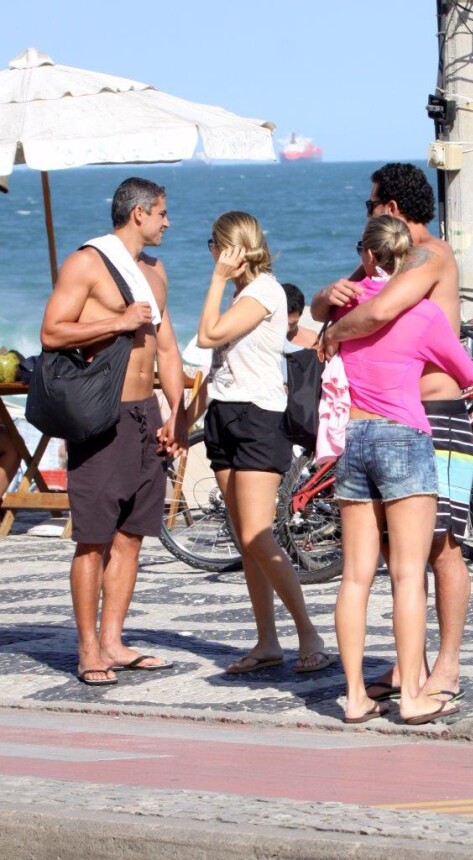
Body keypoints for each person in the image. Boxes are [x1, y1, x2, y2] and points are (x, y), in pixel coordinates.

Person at [311, 162, 473, 704]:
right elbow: (330, 303)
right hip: (391, 423)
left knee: (443, 545)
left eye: (371, 205)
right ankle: (410, 669)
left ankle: (444, 666)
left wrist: (334, 332)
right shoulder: (386, 257)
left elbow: (379, 310)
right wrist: (325, 300)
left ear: (393, 209)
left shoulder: (431, 256)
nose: (367, 214)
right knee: (396, 553)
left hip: (439, 413)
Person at [40, 177, 188, 686]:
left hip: (146, 415)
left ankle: (113, 641)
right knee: (94, 539)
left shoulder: (154, 270)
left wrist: (178, 412)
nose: (168, 222)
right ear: (140, 213)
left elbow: (167, 348)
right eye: (163, 213)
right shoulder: (87, 263)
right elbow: (52, 330)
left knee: (131, 536)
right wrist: (120, 322)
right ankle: (87, 650)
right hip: (102, 418)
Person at [192, 211, 333, 674]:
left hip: (257, 417)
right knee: (244, 539)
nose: (211, 254)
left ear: (230, 249)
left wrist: (215, 280)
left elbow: (207, 334)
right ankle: (266, 641)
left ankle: (308, 632)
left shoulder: (264, 292)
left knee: (257, 534)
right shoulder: (240, 294)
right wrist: (184, 423)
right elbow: (214, 364)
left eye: (214, 246)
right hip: (224, 414)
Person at [281, 283, 318, 348]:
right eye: (282, 322)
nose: (287, 329)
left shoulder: (311, 340)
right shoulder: (260, 336)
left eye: (292, 324)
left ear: (300, 315)